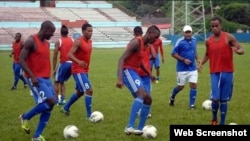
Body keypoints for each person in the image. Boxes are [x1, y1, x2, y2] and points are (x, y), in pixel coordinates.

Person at [198, 16, 244, 125]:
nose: (214, 28)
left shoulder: (228, 37)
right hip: (215, 73)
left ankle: (222, 123)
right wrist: (201, 63)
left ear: (220, 26)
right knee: (215, 99)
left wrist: (237, 51)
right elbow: (207, 54)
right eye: (212, 26)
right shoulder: (208, 41)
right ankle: (214, 119)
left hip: (228, 73)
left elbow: (241, 49)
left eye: (216, 26)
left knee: (223, 100)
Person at [116, 25, 160, 135]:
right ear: (149, 33)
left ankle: (140, 129)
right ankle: (129, 126)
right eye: (154, 37)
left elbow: (139, 62)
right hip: (126, 71)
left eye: (157, 38)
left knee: (148, 99)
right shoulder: (136, 42)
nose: (155, 40)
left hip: (134, 72)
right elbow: (121, 59)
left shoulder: (146, 45)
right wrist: (120, 78)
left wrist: (149, 74)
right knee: (142, 94)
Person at [18, 20, 56, 141]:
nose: (52, 35)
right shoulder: (31, 41)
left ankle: (36, 136)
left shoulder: (47, 43)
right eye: (51, 32)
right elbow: (21, 59)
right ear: (45, 30)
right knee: (50, 101)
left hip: (46, 78)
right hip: (34, 78)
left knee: (51, 104)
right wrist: (32, 76)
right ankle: (25, 117)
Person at [61, 23, 93, 119]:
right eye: (88, 31)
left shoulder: (90, 41)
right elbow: (69, 55)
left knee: (80, 92)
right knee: (89, 90)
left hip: (85, 70)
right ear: (83, 31)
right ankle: (89, 116)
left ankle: (65, 107)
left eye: (91, 31)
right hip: (78, 70)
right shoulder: (78, 41)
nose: (90, 33)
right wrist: (79, 62)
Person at [169, 25, 199, 109]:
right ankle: (172, 96)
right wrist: (183, 60)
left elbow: (194, 50)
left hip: (192, 68)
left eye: (189, 32)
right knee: (180, 87)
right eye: (186, 32)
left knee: (193, 85)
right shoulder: (180, 41)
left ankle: (191, 105)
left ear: (191, 32)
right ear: (183, 33)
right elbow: (173, 53)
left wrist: (198, 59)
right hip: (182, 69)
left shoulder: (194, 40)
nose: (188, 34)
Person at [133, 26, 156, 118]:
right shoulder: (148, 44)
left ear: (134, 33)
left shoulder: (134, 42)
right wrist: (147, 59)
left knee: (138, 92)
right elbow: (154, 56)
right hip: (146, 71)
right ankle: (147, 112)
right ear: (142, 33)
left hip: (135, 71)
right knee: (147, 92)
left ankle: (139, 109)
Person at [52, 25, 74, 105]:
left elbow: (55, 56)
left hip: (64, 63)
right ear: (67, 33)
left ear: (61, 33)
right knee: (62, 81)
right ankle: (63, 99)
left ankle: (56, 100)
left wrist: (54, 69)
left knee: (56, 81)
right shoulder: (72, 40)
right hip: (72, 64)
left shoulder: (59, 41)